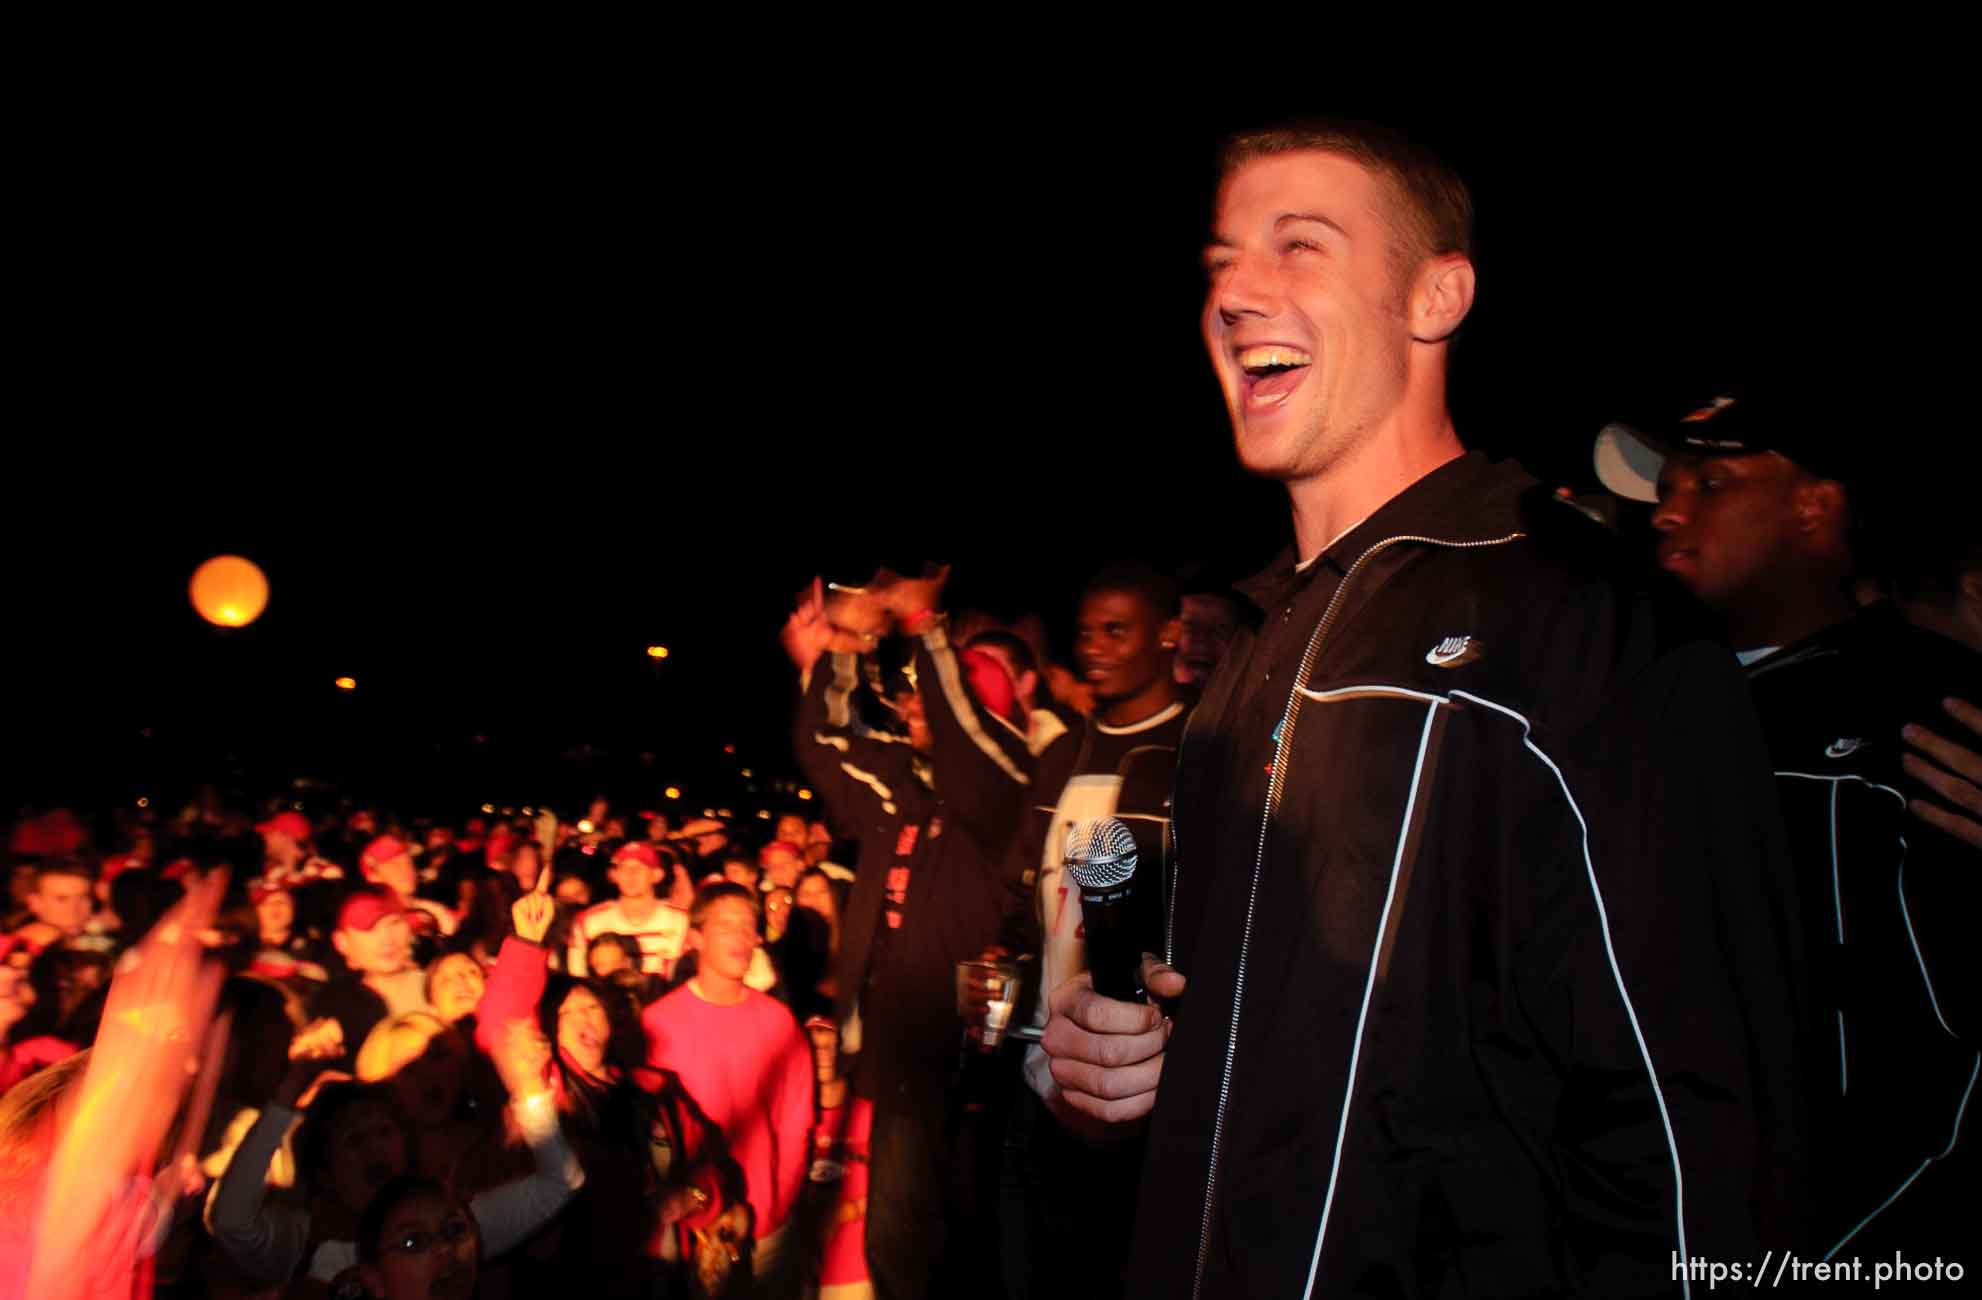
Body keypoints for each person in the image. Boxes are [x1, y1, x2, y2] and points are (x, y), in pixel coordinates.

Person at [1042, 119, 1814, 1298]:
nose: (1238, 292)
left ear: (1434, 295)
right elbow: (1237, 1054)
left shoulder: (1587, 630)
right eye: (1219, 266)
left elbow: (1697, 1141)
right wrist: (1119, 1069)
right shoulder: (1245, 660)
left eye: (1298, 248)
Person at [1597, 390, 1979, 1256]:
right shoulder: (1623, 711)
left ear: (1815, 505)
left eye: (1712, 481)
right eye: (1666, 484)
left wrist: (1834, 1262)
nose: (1667, 509)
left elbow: (1934, 1072)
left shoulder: (1929, 712)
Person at [785, 568, 1037, 1299]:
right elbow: (828, 743)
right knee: (895, 1236)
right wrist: (837, 651)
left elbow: (969, 743)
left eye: (928, 696)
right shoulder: (904, 786)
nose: (907, 704)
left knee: (962, 1234)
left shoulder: (1003, 790)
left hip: (960, 1062)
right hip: (896, 1054)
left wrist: (926, 625)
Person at [995, 563, 1189, 1300]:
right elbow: (1029, 891)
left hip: (1127, 1081)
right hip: (1035, 1064)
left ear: (1168, 633)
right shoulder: (1058, 758)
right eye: (1085, 632)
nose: (1095, 648)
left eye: (1117, 630)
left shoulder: (1196, 754)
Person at [644, 883, 815, 1292]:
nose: (741, 937)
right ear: (696, 937)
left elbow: (797, 1123)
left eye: (747, 926)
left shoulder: (779, 1022)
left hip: (767, 1225)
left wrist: (776, 1205)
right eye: (726, 926)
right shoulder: (655, 1024)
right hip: (691, 1230)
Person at [310, 890, 432, 1052]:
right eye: (369, 928)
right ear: (342, 942)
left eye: (394, 923)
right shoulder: (332, 1005)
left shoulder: (439, 987)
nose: (387, 939)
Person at [565, 841, 691, 979]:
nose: (631, 875)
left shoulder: (680, 920)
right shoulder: (588, 921)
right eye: (623, 868)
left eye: (639, 868)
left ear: (657, 875)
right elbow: (577, 977)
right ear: (614, 875)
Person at [8, 861, 92, 957]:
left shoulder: (99, 941)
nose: (74, 909)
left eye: (84, 898)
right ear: (35, 903)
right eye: (61, 899)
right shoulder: (22, 950)